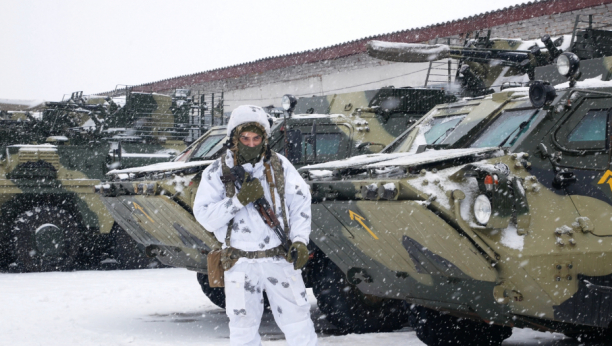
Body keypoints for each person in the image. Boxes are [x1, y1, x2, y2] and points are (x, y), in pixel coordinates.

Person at [193, 105, 318, 346]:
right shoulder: (217, 171)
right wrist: (238, 201)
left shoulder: (280, 167)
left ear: (265, 138)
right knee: (243, 330)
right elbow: (205, 216)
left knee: (298, 323)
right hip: (240, 263)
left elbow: (300, 204)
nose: (251, 144)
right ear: (234, 138)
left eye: (257, 138)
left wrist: (301, 241)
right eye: (245, 138)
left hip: (279, 258)